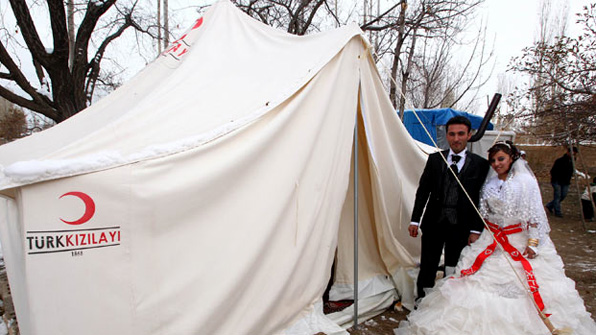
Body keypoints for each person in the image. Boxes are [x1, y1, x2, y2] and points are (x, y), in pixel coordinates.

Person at [396, 141, 596, 335]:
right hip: (492, 238)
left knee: (515, 285)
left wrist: (533, 242)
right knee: (472, 280)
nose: (496, 164)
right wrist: (478, 231)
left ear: (511, 158)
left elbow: (534, 214)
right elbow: (484, 211)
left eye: (501, 159)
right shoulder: (490, 183)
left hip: (518, 239)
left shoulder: (525, 182)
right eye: (493, 161)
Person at [408, 116, 489, 302]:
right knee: (428, 263)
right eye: (452, 134)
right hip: (433, 223)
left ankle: (448, 301)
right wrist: (415, 219)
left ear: (469, 135)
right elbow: (423, 191)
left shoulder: (480, 164)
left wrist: (476, 229)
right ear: (447, 136)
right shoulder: (435, 159)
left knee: (454, 264)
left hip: (461, 225)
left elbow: (481, 199)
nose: (456, 139)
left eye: (461, 134)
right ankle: (422, 300)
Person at [545, 146, 578, 217]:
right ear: (568, 152)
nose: (573, 155)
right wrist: (555, 179)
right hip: (557, 181)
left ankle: (550, 205)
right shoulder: (560, 161)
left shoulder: (573, 161)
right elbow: (553, 171)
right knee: (557, 196)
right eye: (572, 153)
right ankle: (558, 212)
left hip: (566, 182)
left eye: (574, 154)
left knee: (563, 195)